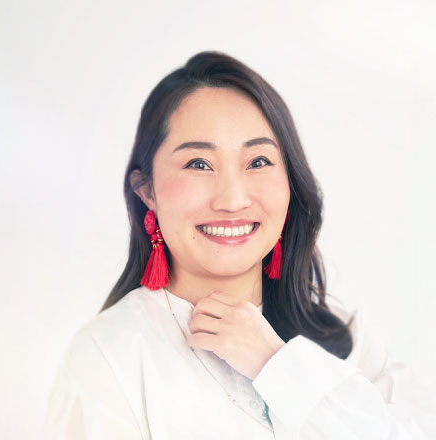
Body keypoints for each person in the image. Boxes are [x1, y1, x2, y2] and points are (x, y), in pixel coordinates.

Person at [44, 51, 436, 439]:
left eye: (258, 162)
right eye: (199, 164)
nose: (233, 200)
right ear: (147, 191)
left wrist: (277, 365)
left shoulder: (340, 334)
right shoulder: (107, 357)